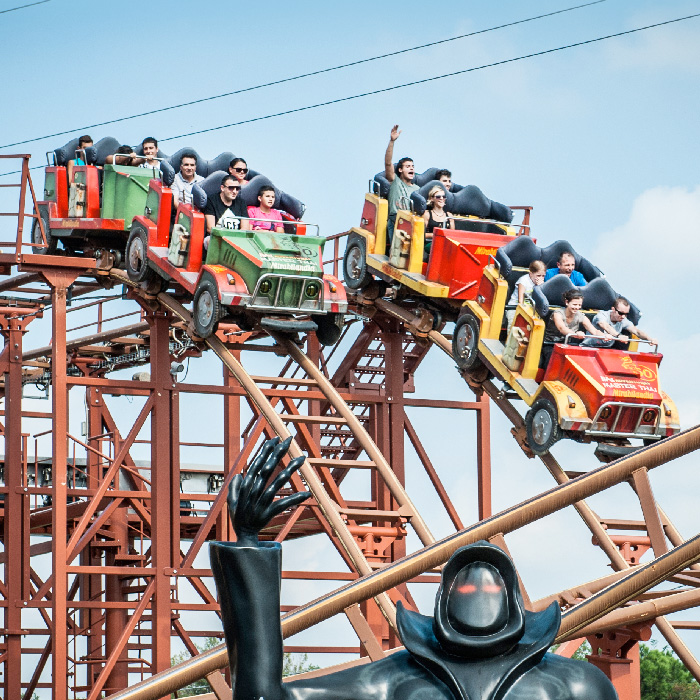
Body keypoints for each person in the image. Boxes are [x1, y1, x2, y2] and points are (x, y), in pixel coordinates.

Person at [210, 437, 617, 700]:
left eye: (488, 590)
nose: (477, 596)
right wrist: (248, 544)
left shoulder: (577, 685)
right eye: (467, 589)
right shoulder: (394, 681)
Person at [541, 288, 612, 368]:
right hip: (551, 344)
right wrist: (575, 334)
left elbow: (594, 331)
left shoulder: (580, 316)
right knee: (552, 358)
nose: (577, 307)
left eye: (579, 305)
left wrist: (604, 336)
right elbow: (562, 328)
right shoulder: (558, 314)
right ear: (567, 302)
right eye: (574, 305)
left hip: (568, 344)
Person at [384, 125, 419, 244]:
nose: (412, 169)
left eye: (413, 167)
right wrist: (392, 141)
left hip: (412, 222)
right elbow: (388, 163)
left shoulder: (417, 189)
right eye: (408, 166)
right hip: (397, 220)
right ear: (400, 170)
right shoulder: (395, 181)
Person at [593, 296, 658, 348]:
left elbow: (636, 331)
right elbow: (605, 326)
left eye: (626, 314)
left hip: (606, 350)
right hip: (590, 347)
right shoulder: (602, 315)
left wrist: (649, 339)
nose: (623, 316)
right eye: (621, 313)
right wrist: (618, 335)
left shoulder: (623, 320)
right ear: (613, 309)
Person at [203, 175, 250, 247]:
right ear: (222, 188)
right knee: (210, 241)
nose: (234, 191)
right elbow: (210, 228)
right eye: (231, 188)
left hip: (236, 238)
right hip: (216, 236)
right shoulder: (211, 200)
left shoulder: (241, 203)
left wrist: (234, 239)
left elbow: (245, 227)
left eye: (237, 188)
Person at [506, 260, 546, 327]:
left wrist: (540, 287)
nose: (541, 278)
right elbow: (520, 302)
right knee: (514, 325)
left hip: (531, 309)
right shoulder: (523, 281)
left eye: (543, 276)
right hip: (515, 307)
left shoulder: (542, 283)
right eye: (538, 275)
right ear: (531, 273)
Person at [422, 185, 453, 262]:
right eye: (438, 197)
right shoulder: (427, 214)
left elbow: (452, 234)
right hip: (431, 242)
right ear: (432, 199)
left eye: (443, 196)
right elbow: (421, 234)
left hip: (446, 244)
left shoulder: (449, 216)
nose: (442, 198)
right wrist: (436, 235)